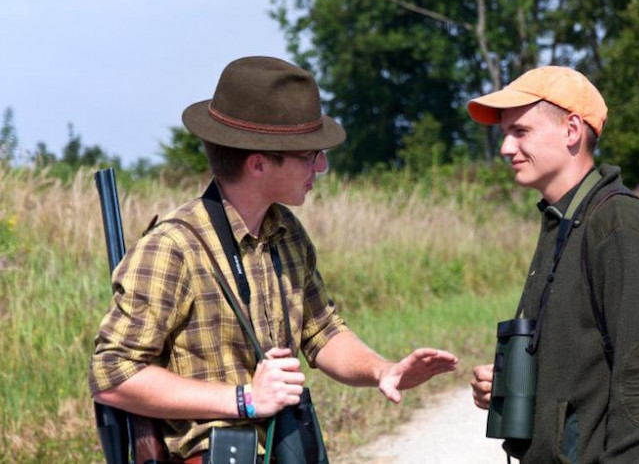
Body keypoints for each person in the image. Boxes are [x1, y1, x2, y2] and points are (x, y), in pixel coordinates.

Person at [89, 56, 459, 462]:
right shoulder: (173, 248)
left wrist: (382, 370)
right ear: (259, 163)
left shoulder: (287, 233)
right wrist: (245, 400)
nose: (322, 166)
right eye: (310, 155)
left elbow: (322, 332)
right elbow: (112, 375)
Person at [467, 65, 639, 463]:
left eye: (520, 131)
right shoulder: (561, 219)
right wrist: (507, 389)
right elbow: (574, 363)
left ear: (572, 130)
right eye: (504, 134)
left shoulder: (620, 226)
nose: (505, 149)